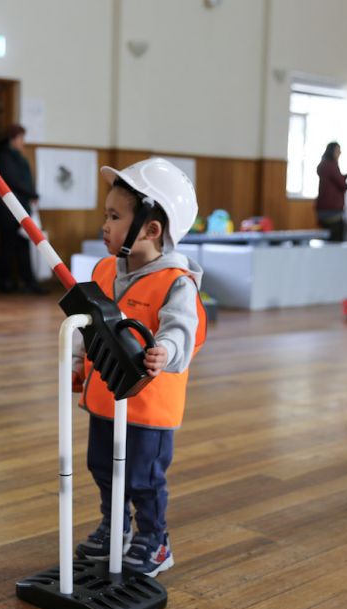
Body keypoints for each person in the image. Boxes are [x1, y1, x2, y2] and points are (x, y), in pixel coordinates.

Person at [71, 158, 207, 578]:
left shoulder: (176, 282)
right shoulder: (104, 269)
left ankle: (154, 538)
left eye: (115, 217)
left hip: (148, 407)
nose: (104, 225)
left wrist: (164, 351)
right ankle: (115, 527)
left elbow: (182, 329)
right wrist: (79, 359)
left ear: (151, 230)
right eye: (106, 215)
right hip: (105, 397)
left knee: (143, 477)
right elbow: (88, 322)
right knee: (102, 466)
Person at [0, 124, 44, 294]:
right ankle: (4, 281)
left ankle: (27, 281)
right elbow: (13, 181)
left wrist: (31, 195)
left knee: (23, 245)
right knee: (7, 245)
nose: (23, 142)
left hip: (22, 207)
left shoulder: (19, 158)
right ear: (13, 139)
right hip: (8, 210)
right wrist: (32, 193)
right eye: (21, 138)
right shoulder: (5, 158)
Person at [315, 141, 347, 242]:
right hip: (332, 211)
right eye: (338, 151)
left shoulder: (323, 164)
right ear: (331, 152)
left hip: (322, 209)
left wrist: (344, 176)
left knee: (328, 239)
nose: (339, 153)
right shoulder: (331, 165)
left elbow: (334, 179)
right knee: (336, 240)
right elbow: (343, 185)